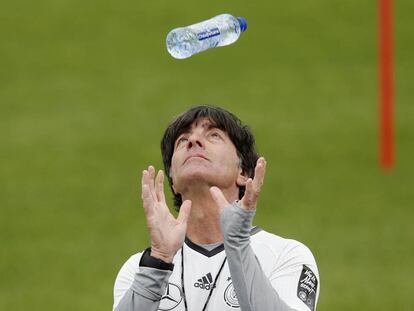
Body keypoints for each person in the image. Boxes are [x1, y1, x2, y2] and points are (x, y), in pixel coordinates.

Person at [113, 105, 320, 311]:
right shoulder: (139, 269)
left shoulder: (285, 255)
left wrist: (237, 243)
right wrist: (159, 261)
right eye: (182, 140)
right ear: (173, 181)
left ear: (243, 172)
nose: (193, 141)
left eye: (213, 135)